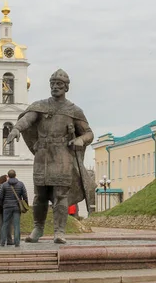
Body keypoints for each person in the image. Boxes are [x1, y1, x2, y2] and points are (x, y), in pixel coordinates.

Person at [7, 69, 95, 244]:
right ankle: (38, 228)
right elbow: (27, 119)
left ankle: (59, 232)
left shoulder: (73, 110)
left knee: (60, 195)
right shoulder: (40, 106)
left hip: (63, 156)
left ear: (66, 88)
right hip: (42, 155)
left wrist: (80, 139)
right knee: (39, 195)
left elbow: (89, 134)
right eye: (53, 84)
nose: (55, 87)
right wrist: (17, 128)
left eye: (59, 84)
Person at [0, 169, 28, 247]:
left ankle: (2, 242)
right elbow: (25, 195)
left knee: (5, 224)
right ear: (15, 175)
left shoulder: (4, 185)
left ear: (8, 176)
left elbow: (0, 197)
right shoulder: (21, 184)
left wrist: (3, 203)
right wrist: (26, 203)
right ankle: (17, 242)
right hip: (17, 207)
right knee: (16, 225)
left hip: (7, 207)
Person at [0, 174, 13, 245]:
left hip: (0, 206)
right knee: (6, 224)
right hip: (5, 206)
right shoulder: (5, 186)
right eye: (7, 178)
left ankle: (1, 241)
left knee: (1, 224)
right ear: (4, 180)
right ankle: (8, 240)